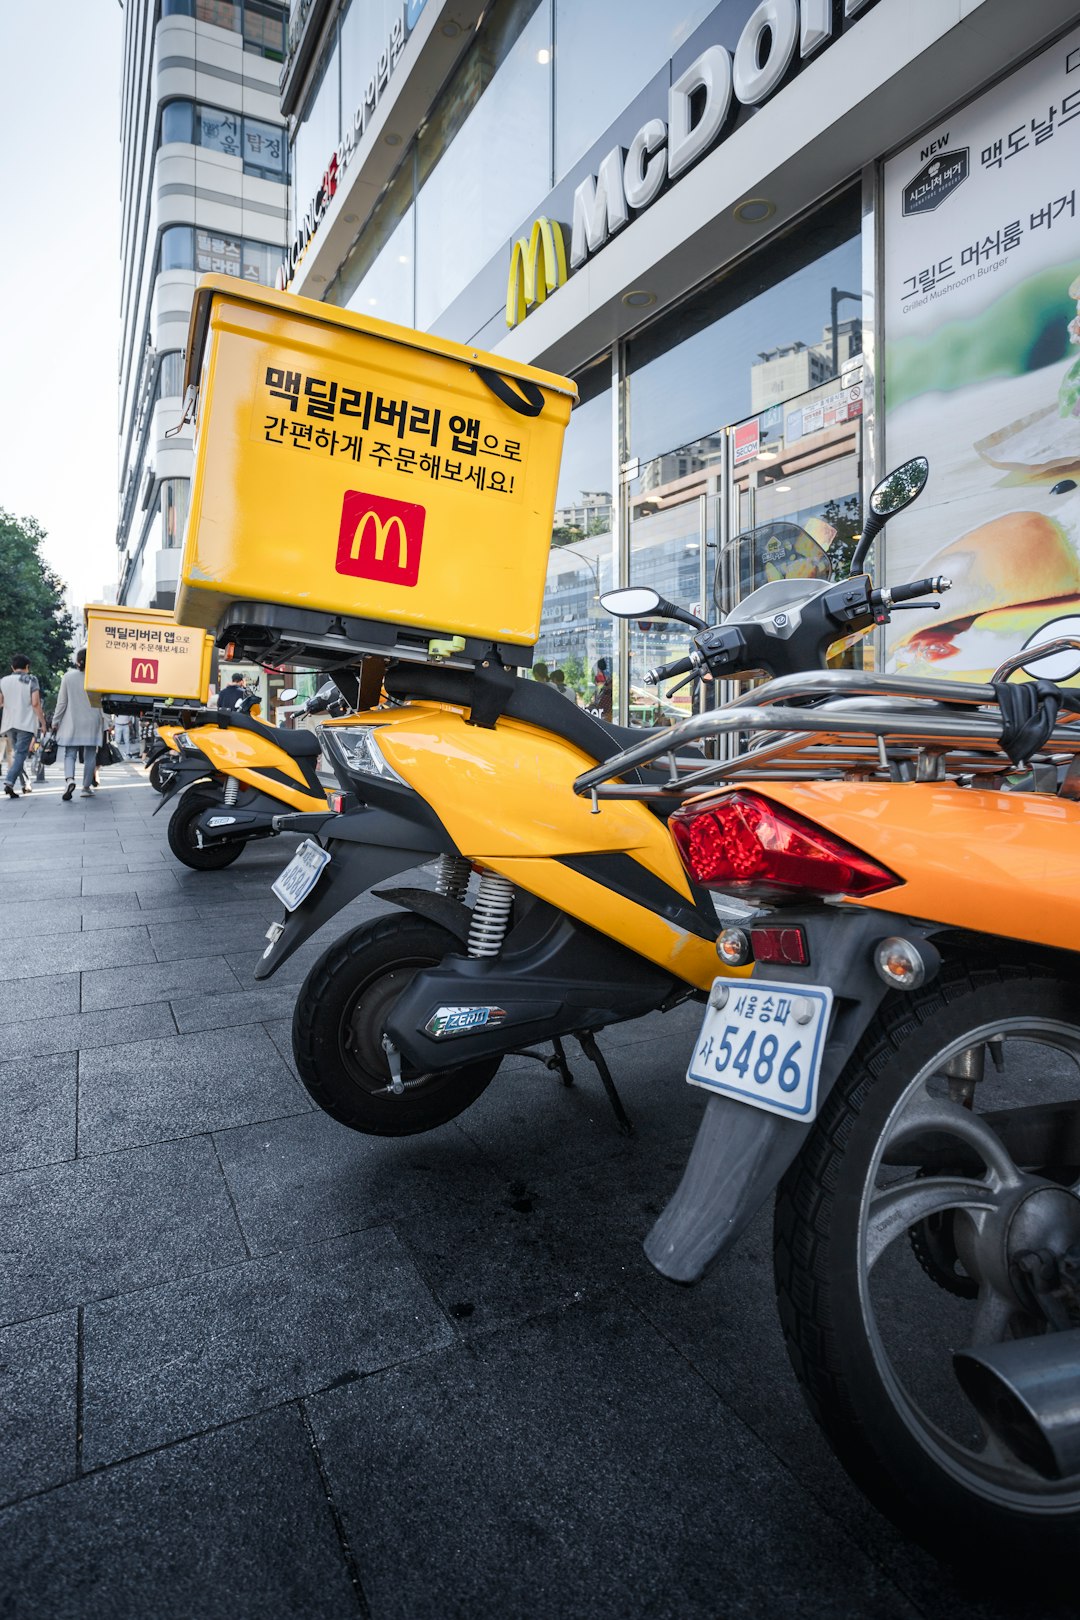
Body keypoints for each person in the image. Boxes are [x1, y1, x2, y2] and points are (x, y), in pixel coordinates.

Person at [54, 650, 104, 801]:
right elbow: (104, 702)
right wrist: (108, 722)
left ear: (77, 661)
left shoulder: (68, 677)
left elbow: (62, 703)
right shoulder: (97, 677)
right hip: (92, 722)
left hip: (72, 722)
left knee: (70, 754)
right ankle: (86, 787)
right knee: (90, 755)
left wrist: (55, 721)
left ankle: (70, 780)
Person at [0, 653, 46, 800]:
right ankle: (10, 781)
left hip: (8, 722)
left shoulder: (3, 681)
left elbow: (0, 702)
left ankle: (25, 783)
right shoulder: (31, 680)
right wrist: (43, 723)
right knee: (21, 754)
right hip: (25, 723)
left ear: (12, 667)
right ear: (27, 667)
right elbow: (35, 703)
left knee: (17, 754)